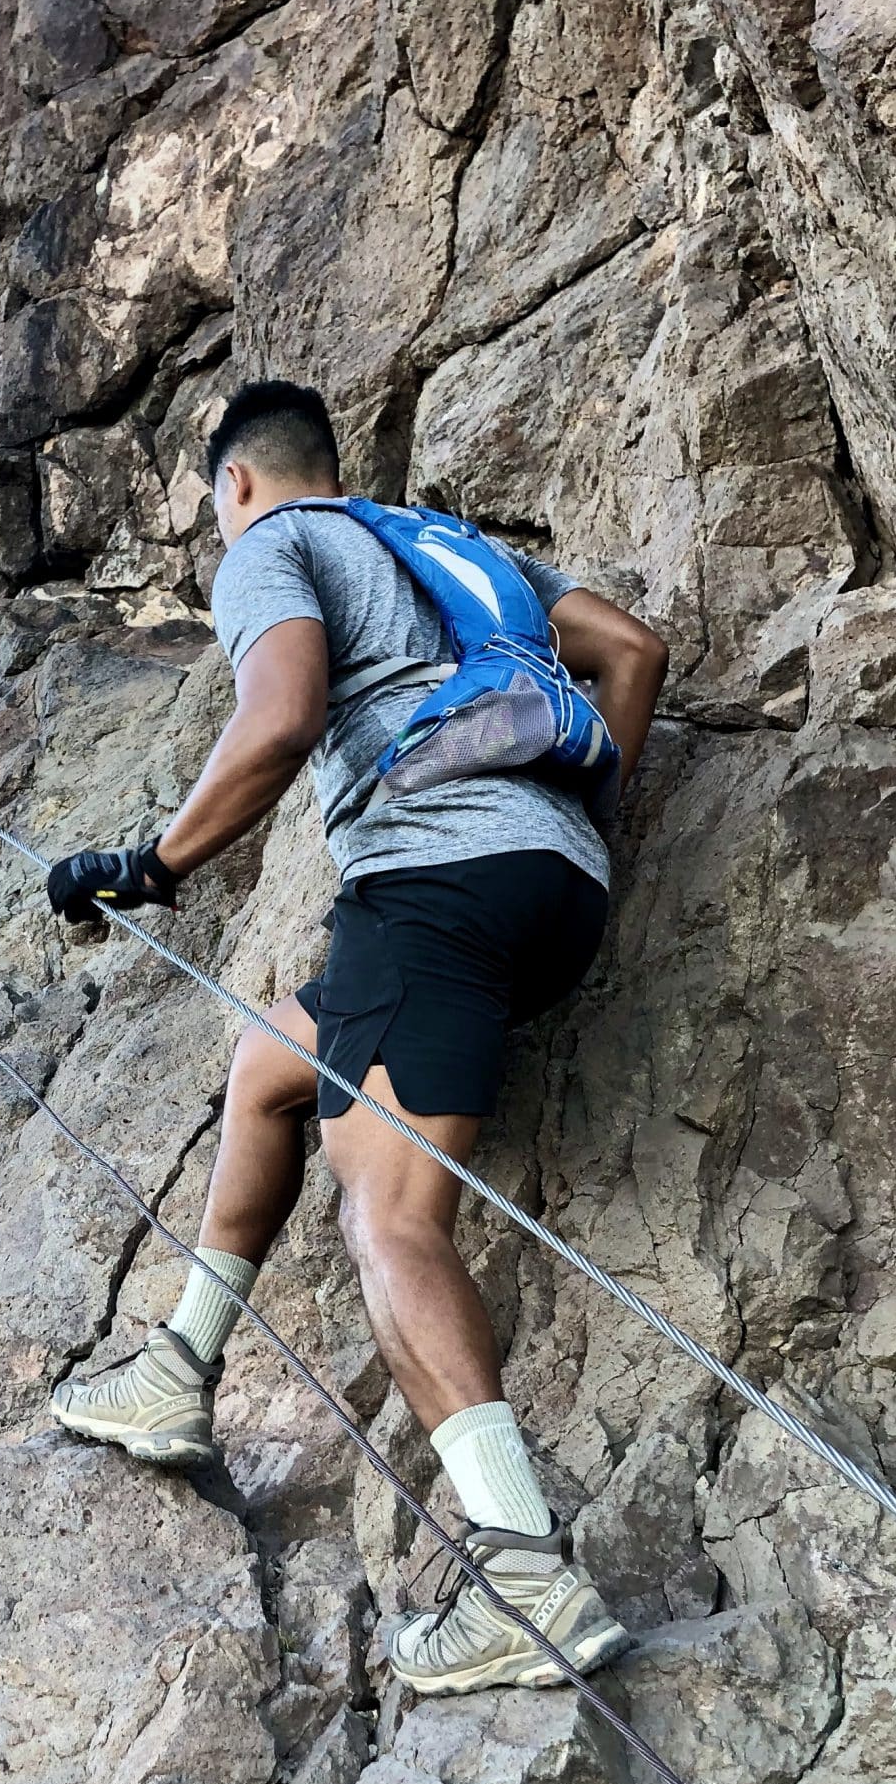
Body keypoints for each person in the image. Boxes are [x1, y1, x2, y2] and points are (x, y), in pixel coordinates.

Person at [43, 378, 669, 1695]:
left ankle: (527, 1578)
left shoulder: (274, 546)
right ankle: (178, 1367)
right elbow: (632, 650)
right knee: (274, 1065)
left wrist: (154, 866)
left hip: (432, 881)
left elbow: (278, 719)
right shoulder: (452, 550)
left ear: (236, 484)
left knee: (390, 1214)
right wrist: (568, 819)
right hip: (559, 887)